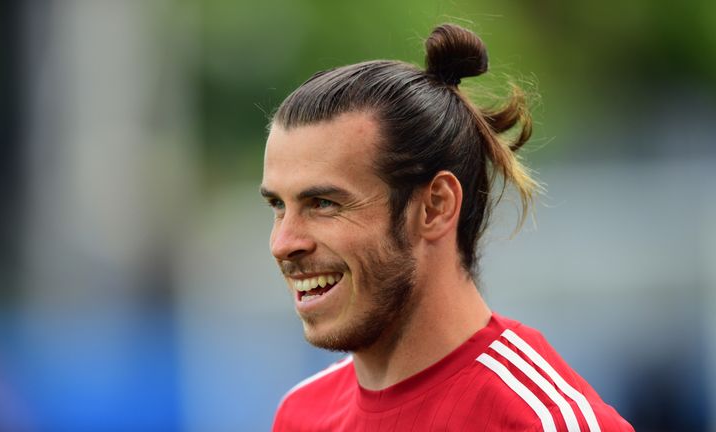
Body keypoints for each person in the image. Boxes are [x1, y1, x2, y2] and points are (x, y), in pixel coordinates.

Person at [260, 23, 634, 431]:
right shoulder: (300, 415)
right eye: (279, 205)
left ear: (436, 207)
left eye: (324, 204)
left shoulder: (543, 422)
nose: (283, 243)